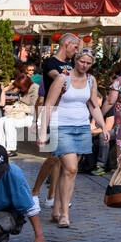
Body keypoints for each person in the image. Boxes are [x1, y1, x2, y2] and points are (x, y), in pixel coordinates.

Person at [40, 48, 110, 227]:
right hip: (61, 126)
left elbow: (93, 105)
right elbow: (48, 105)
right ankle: (65, 213)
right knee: (71, 169)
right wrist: (42, 132)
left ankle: (56, 209)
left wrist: (102, 126)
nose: (85, 66)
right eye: (82, 62)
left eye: (88, 63)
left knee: (68, 171)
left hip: (82, 128)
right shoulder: (63, 79)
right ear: (75, 61)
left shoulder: (91, 80)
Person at [32, 33, 81, 206]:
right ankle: (35, 192)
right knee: (54, 157)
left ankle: (51, 196)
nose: (76, 52)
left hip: (67, 113)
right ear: (66, 44)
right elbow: (55, 76)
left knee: (60, 158)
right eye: (75, 47)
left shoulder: (69, 64)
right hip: (53, 112)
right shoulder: (51, 63)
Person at [0, 71, 39, 156]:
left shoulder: (35, 89)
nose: (19, 89)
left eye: (20, 87)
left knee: (9, 122)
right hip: (22, 114)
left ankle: (11, 149)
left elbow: (33, 109)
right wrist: (11, 108)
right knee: (1, 120)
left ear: (25, 85)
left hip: (33, 117)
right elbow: (9, 90)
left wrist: (13, 109)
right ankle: (1, 147)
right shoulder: (22, 89)